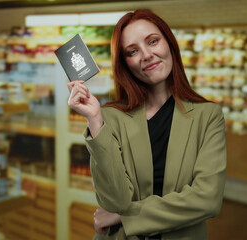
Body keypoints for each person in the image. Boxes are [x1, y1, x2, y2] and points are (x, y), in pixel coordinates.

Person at [67, 9, 227, 240]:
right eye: (132, 51)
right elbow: (115, 201)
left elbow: (208, 199)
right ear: (125, 64)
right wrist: (94, 119)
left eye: (153, 41)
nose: (146, 55)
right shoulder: (110, 117)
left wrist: (126, 217)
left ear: (169, 43)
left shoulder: (208, 116)